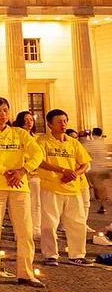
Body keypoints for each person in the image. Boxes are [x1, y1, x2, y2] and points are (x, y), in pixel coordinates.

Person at [0, 97, 44, 287]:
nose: (2, 115)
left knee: (25, 231)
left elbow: (38, 153)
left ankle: (26, 273)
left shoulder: (20, 133)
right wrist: (4, 170)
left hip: (19, 186)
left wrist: (23, 170)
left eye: (5, 110)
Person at [37, 109, 91, 266]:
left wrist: (75, 173)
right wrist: (62, 170)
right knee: (49, 223)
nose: (63, 124)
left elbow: (85, 163)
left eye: (65, 121)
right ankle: (50, 254)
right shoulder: (42, 142)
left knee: (78, 223)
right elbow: (39, 161)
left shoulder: (73, 142)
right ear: (49, 124)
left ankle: (77, 254)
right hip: (51, 187)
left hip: (73, 188)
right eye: (59, 121)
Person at [13, 111, 42, 238]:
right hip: (20, 174)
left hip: (35, 174)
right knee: (19, 205)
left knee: (36, 203)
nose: (29, 122)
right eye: (26, 120)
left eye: (31, 119)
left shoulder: (36, 138)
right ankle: (19, 231)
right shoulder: (15, 135)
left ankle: (36, 229)